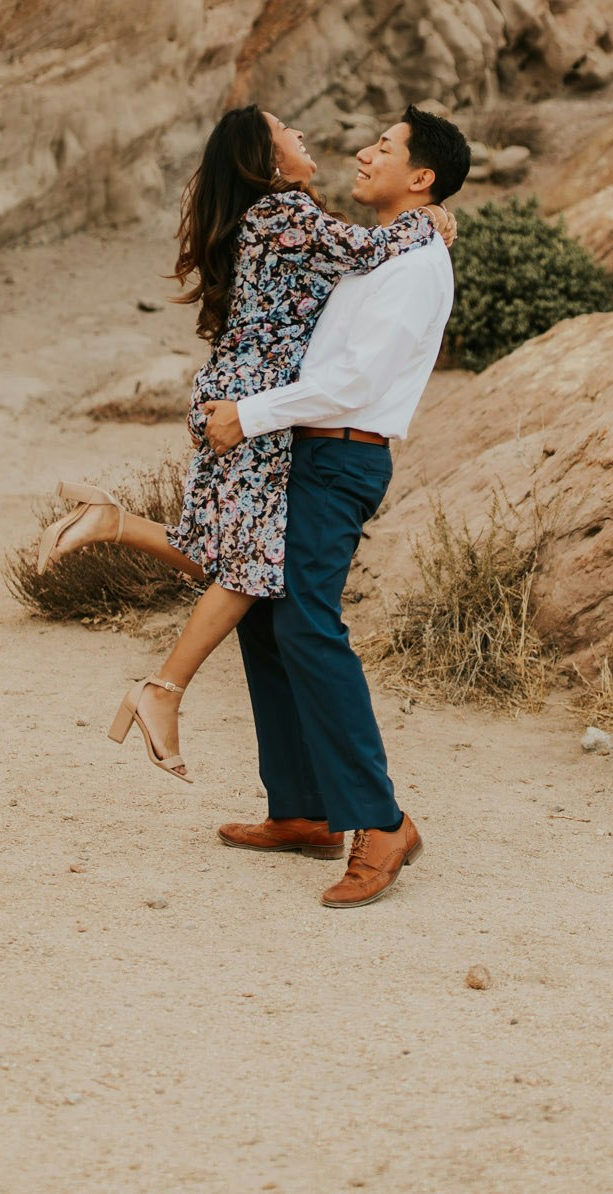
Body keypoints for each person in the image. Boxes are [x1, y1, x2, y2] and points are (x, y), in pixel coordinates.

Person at [32, 105, 454, 782]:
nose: (305, 136)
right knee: (252, 567)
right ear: (267, 157)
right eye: (289, 133)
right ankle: (162, 691)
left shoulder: (279, 214)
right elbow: (366, 251)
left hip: (242, 392)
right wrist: (426, 219)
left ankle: (113, 523)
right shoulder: (284, 210)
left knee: (233, 556)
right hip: (253, 403)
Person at [201, 104, 470, 909]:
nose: (363, 153)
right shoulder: (375, 250)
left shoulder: (415, 266)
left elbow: (354, 380)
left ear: (420, 176)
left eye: (384, 147)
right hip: (307, 448)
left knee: (308, 625)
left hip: (343, 453)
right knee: (266, 619)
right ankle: (304, 809)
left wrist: (249, 415)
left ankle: (380, 822)